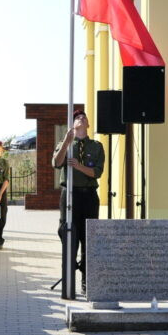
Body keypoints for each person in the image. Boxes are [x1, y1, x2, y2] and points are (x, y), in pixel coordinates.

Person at [52, 109, 104, 292]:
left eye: (83, 117)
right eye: (76, 118)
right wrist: (66, 142)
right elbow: (57, 163)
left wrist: (79, 166)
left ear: (88, 124)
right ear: (72, 125)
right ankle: (69, 281)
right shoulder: (66, 143)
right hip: (69, 195)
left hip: (88, 196)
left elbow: (97, 172)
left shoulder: (96, 146)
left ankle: (86, 282)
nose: (80, 118)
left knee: (88, 238)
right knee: (68, 234)